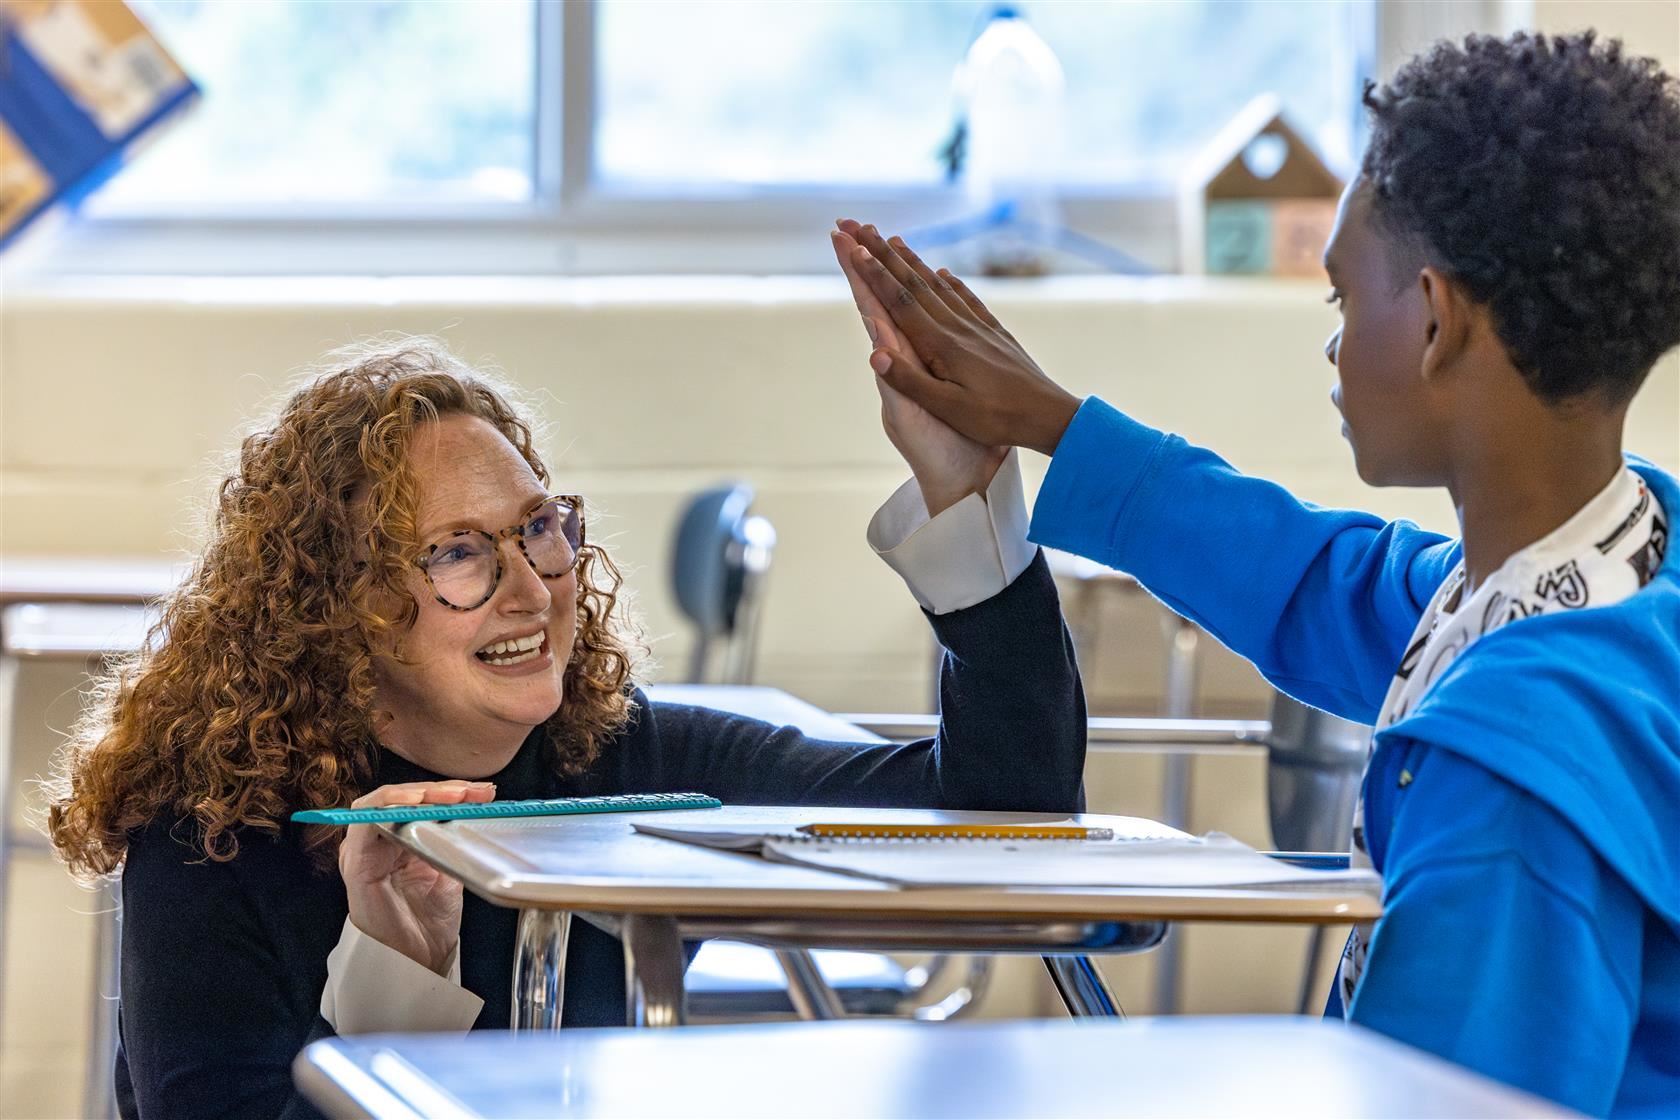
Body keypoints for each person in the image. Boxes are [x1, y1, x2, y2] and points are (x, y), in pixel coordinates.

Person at [834, 31, 1679, 1118]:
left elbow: (1436, 1098)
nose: (1331, 348)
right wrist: (1052, 420)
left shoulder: (1519, 762)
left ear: (1433, 320)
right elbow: (1318, 577)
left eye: (1341, 302)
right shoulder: (1612, 568)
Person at [46, 337, 1086, 1119]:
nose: (533, 588)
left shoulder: (626, 758)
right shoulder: (215, 827)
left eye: (539, 527)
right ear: (341, 602)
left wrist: (968, 499)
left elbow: (1001, 808)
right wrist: (394, 988)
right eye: (458, 551)